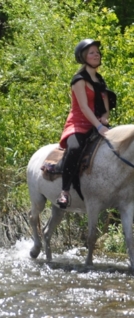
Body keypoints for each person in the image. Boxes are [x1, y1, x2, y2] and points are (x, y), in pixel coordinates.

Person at [56, 39, 116, 208]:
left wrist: (104, 118)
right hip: (79, 124)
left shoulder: (99, 80)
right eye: (92, 52)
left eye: (97, 52)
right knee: (74, 149)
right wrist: (98, 126)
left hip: (98, 124)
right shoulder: (79, 80)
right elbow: (83, 107)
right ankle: (65, 192)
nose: (96, 54)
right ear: (83, 57)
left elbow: (105, 107)